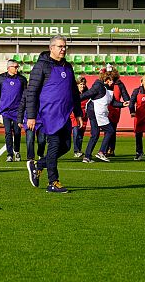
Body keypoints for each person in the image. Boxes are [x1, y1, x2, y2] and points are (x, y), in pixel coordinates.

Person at [25, 35, 83, 193]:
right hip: (49, 114)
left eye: (65, 46)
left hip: (65, 114)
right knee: (55, 145)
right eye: (60, 46)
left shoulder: (68, 66)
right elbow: (32, 92)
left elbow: (73, 92)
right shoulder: (41, 66)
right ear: (51, 48)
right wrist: (31, 116)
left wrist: (78, 112)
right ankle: (53, 182)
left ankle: (38, 165)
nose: (63, 49)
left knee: (66, 146)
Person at [80, 69, 129, 163]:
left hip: (96, 111)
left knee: (95, 134)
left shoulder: (109, 88)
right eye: (111, 81)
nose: (113, 83)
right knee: (110, 130)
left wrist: (123, 104)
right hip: (95, 111)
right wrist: (73, 99)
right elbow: (87, 94)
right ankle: (101, 152)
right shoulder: (98, 85)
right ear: (107, 79)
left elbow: (113, 102)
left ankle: (87, 157)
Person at [0, 59, 28, 162]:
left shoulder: (22, 79)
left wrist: (26, 111)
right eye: (15, 67)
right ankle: (9, 154)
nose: (17, 69)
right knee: (7, 132)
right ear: (9, 68)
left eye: (17, 67)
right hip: (6, 111)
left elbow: (26, 97)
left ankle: (16, 151)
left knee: (17, 132)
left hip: (18, 111)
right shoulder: (1, 78)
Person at [105, 66, 130, 157]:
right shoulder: (104, 83)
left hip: (115, 109)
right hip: (105, 108)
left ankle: (109, 149)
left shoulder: (119, 84)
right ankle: (108, 149)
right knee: (109, 130)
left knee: (111, 129)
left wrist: (128, 104)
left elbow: (126, 96)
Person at [17, 95, 46, 161]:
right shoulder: (27, 92)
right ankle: (30, 157)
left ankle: (40, 154)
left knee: (42, 140)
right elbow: (21, 107)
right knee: (30, 139)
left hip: (41, 120)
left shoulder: (44, 91)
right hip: (28, 120)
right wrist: (19, 120)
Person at [70, 76, 89, 158]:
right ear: (77, 85)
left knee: (81, 134)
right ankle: (76, 150)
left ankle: (79, 150)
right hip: (75, 115)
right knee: (76, 132)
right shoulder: (73, 93)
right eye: (81, 84)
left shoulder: (87, 93)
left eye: (83, 84)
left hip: (84, 116)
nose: (82, 86)